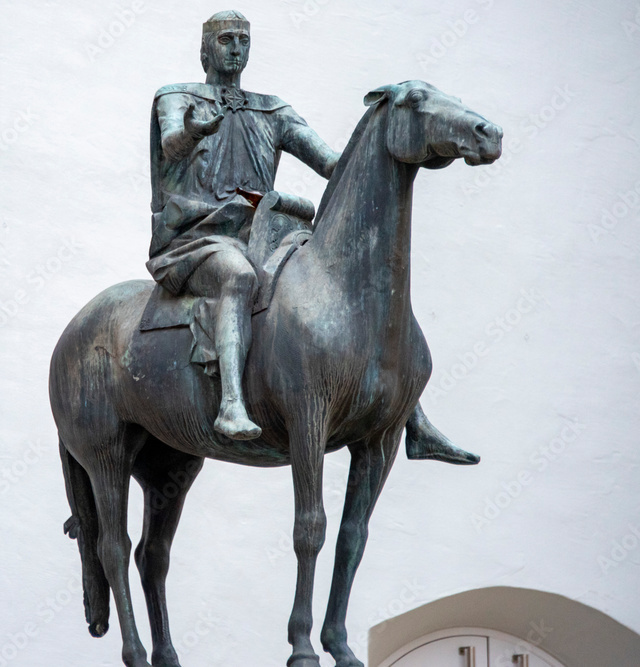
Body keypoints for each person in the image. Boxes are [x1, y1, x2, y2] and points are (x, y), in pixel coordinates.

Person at [146, 10, 481, 464]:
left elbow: (332, 165)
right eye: (225, 39)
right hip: (198, 238)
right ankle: (230, 404)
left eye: (244, 39)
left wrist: (408, 140)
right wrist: (193, 129)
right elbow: (171, 143)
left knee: (361, 286)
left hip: (266, 228)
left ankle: (413, 420)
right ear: (205, 48)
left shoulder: (273, 109)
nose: (236, 48)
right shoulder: (178, 97)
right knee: (237, 277)